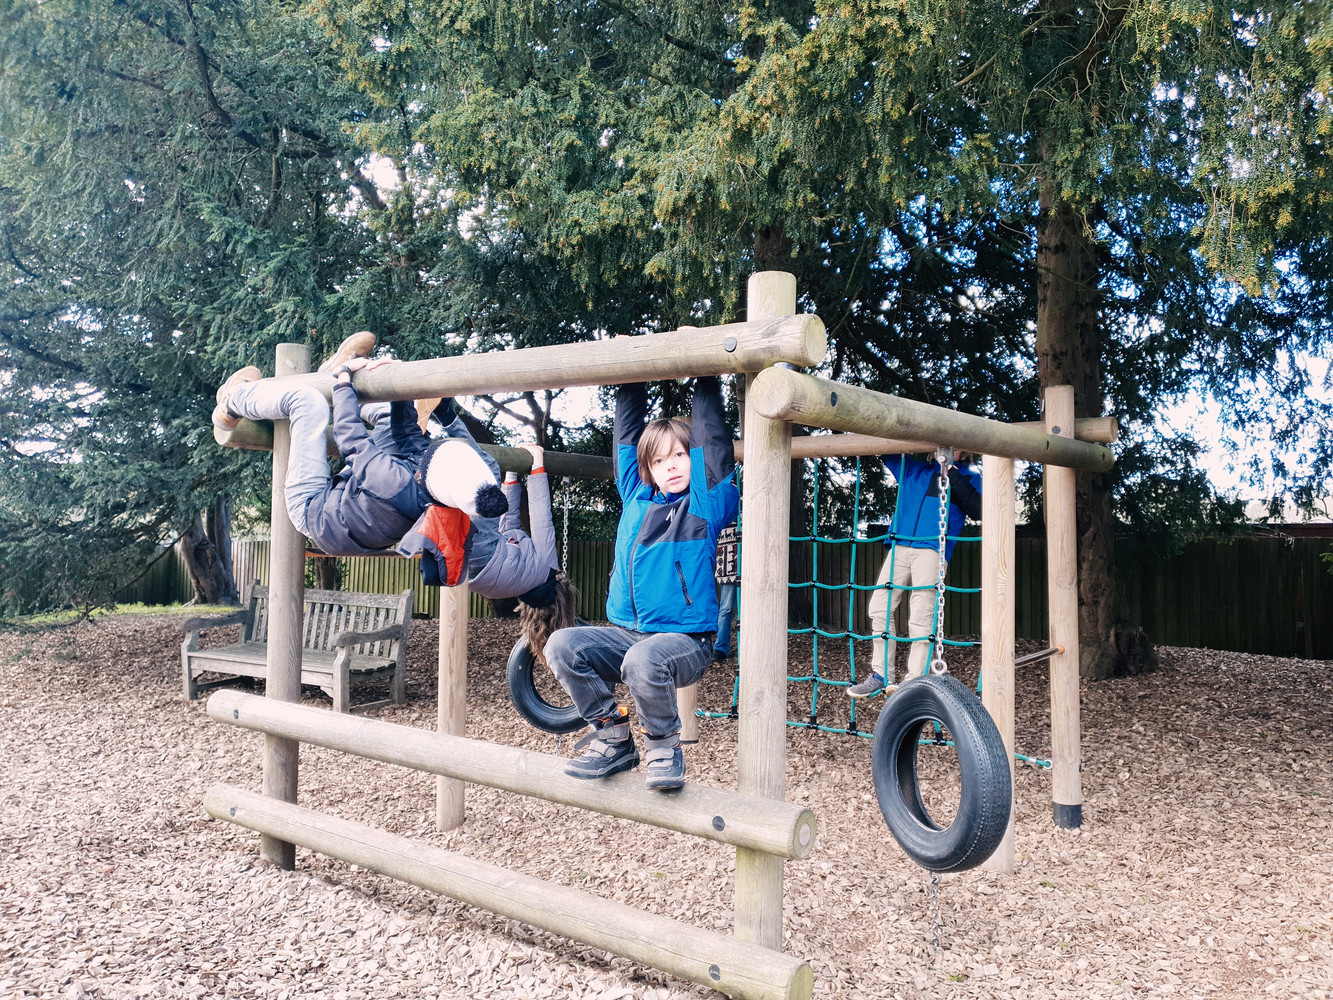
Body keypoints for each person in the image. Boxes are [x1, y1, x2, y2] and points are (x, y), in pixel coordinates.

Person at [543, 376, 739, 791]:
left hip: (686, 641)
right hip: (628, 635)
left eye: (680, 455)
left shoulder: (705, 505)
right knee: (561, 645)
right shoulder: (635, 497)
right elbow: (626, 442)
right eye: (660, 460)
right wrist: (630, 380)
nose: (671, 465)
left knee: (643, 660)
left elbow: (712, 444)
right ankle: (613, 736)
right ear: (648, 469)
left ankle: (664, 746)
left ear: (694, 459)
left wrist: (706, 376)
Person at [211, 333, 508, 570]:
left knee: (307, 402)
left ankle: (233, 399)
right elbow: (407, 435)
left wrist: (344, 382)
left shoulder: (396, 483)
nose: (432, 448)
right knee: (387, 419)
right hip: (346, 504)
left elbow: (350, 439)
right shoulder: (431, 484)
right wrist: (398, 381)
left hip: (312, 509)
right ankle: (328, 376)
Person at [396, 415, 580, 663]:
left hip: (484, 553)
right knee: (448, 493)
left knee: (487, 471)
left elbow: (541, 520)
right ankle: (411, 451)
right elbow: (509, 522)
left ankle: (449, 419)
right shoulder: (519, 583)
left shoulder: (546, 570)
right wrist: (512, 473)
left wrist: (537, 466)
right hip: (465, 565)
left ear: (559, 582)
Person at [848, 450, 982, 698]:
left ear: (965, 451)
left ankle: (914, 680)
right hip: (899, 544)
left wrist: (952, 474)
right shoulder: (913, 469)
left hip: (932, 548)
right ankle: (881, 674)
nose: (944, 449)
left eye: (952, 446)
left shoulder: (969, 477)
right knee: (879, 607)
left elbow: (978, 509)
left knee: (921, 615)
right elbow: (886, 451)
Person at [712, 524, 740, 662]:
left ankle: (749, 644)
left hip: (750, 555)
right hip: (728, 557)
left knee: (751, 608)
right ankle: (721, 648)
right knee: (726, 608)